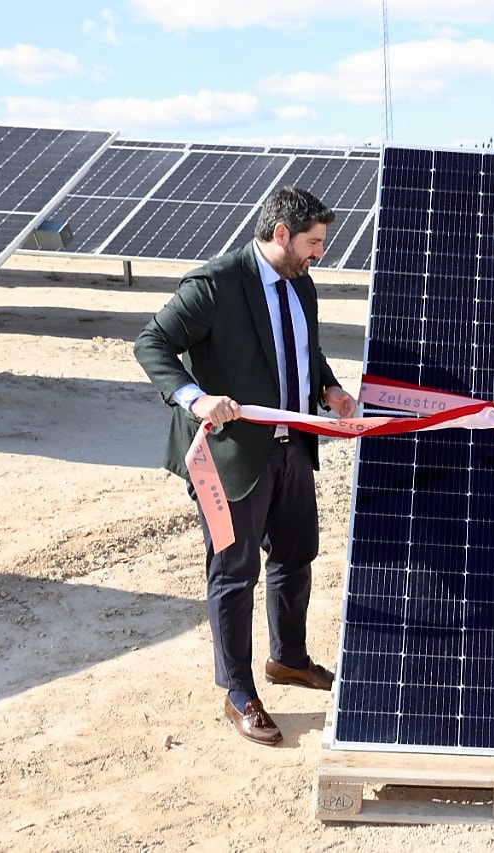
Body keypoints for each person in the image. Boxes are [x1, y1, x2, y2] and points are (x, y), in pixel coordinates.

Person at [134, 186, 356, 747]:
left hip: (291, 447)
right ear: (280, 235)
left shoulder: (301, 284)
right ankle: (238, 692)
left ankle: (288, 659)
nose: (319, 254)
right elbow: (151, 343)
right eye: (312, 243)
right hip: (229, 456)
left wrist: (327, 387)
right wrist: (194, 396)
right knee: (234, 572)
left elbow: (304, 351)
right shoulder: (216, 284)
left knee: (295, 554)